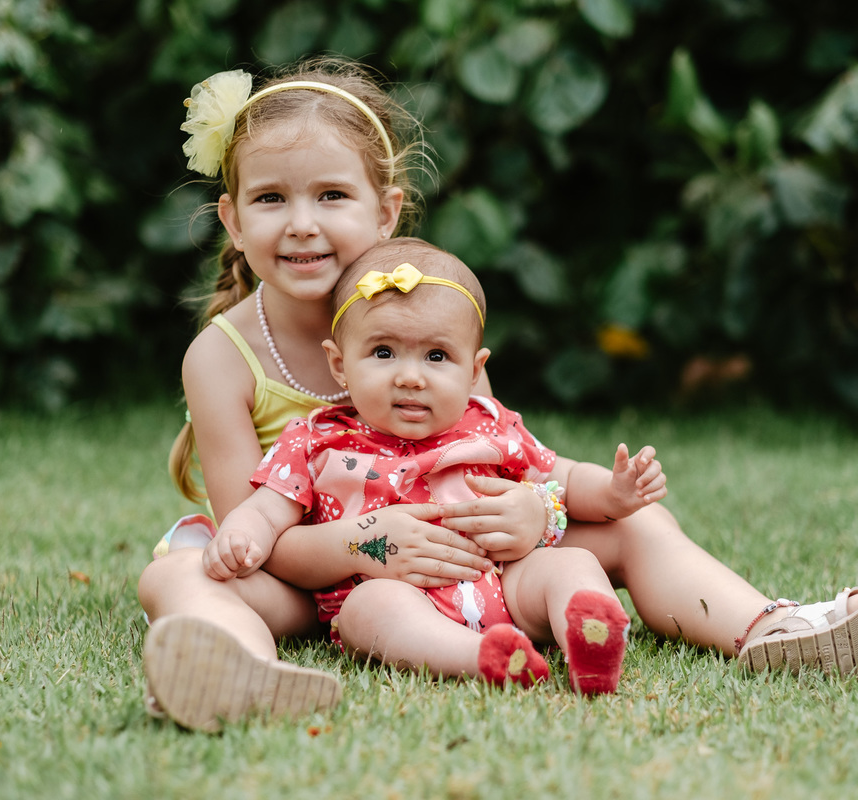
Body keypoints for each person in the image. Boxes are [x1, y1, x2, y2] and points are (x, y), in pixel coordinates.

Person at [138, 58, 858, 733]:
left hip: (456, 552)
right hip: (312, 569)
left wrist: (541, 516)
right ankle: (241, 664)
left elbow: (494, 456)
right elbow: (256, 540)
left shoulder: (433, 311)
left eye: (332, 196)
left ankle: (770, 629)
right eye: (271, 199)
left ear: (386, 210)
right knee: (180, 574)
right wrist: (367, 542)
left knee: (637, 522)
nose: (302, 224)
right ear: (234, 219)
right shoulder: (223, 355)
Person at [203, 238, 670, 696]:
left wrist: (611, 493)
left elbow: (559, 477)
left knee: (570, 563)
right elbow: (267, 510)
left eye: (437, 356)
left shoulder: (489, 426)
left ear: (473, 370)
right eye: (383, 353)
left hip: (506, 581)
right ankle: (483, 656)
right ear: (340, 364)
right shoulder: (316, 440)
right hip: (393, 592)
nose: (411, 376)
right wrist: (241, 536)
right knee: (369, 609)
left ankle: (589, 635)